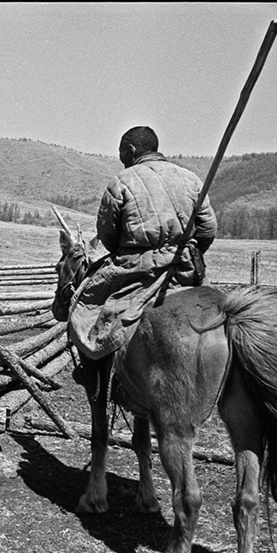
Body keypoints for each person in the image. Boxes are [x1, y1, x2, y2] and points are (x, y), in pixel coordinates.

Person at [66, 125, 217, 400]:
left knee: (87, 305)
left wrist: (137, 251)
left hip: (137, 269)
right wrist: (184, 252)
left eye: (122, 152)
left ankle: (97, 375)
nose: (121, 158)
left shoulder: (122, 182)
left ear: (131, 151)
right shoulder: (192, 179)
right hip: (186, 268)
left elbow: (108, 236)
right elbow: (208, 229)